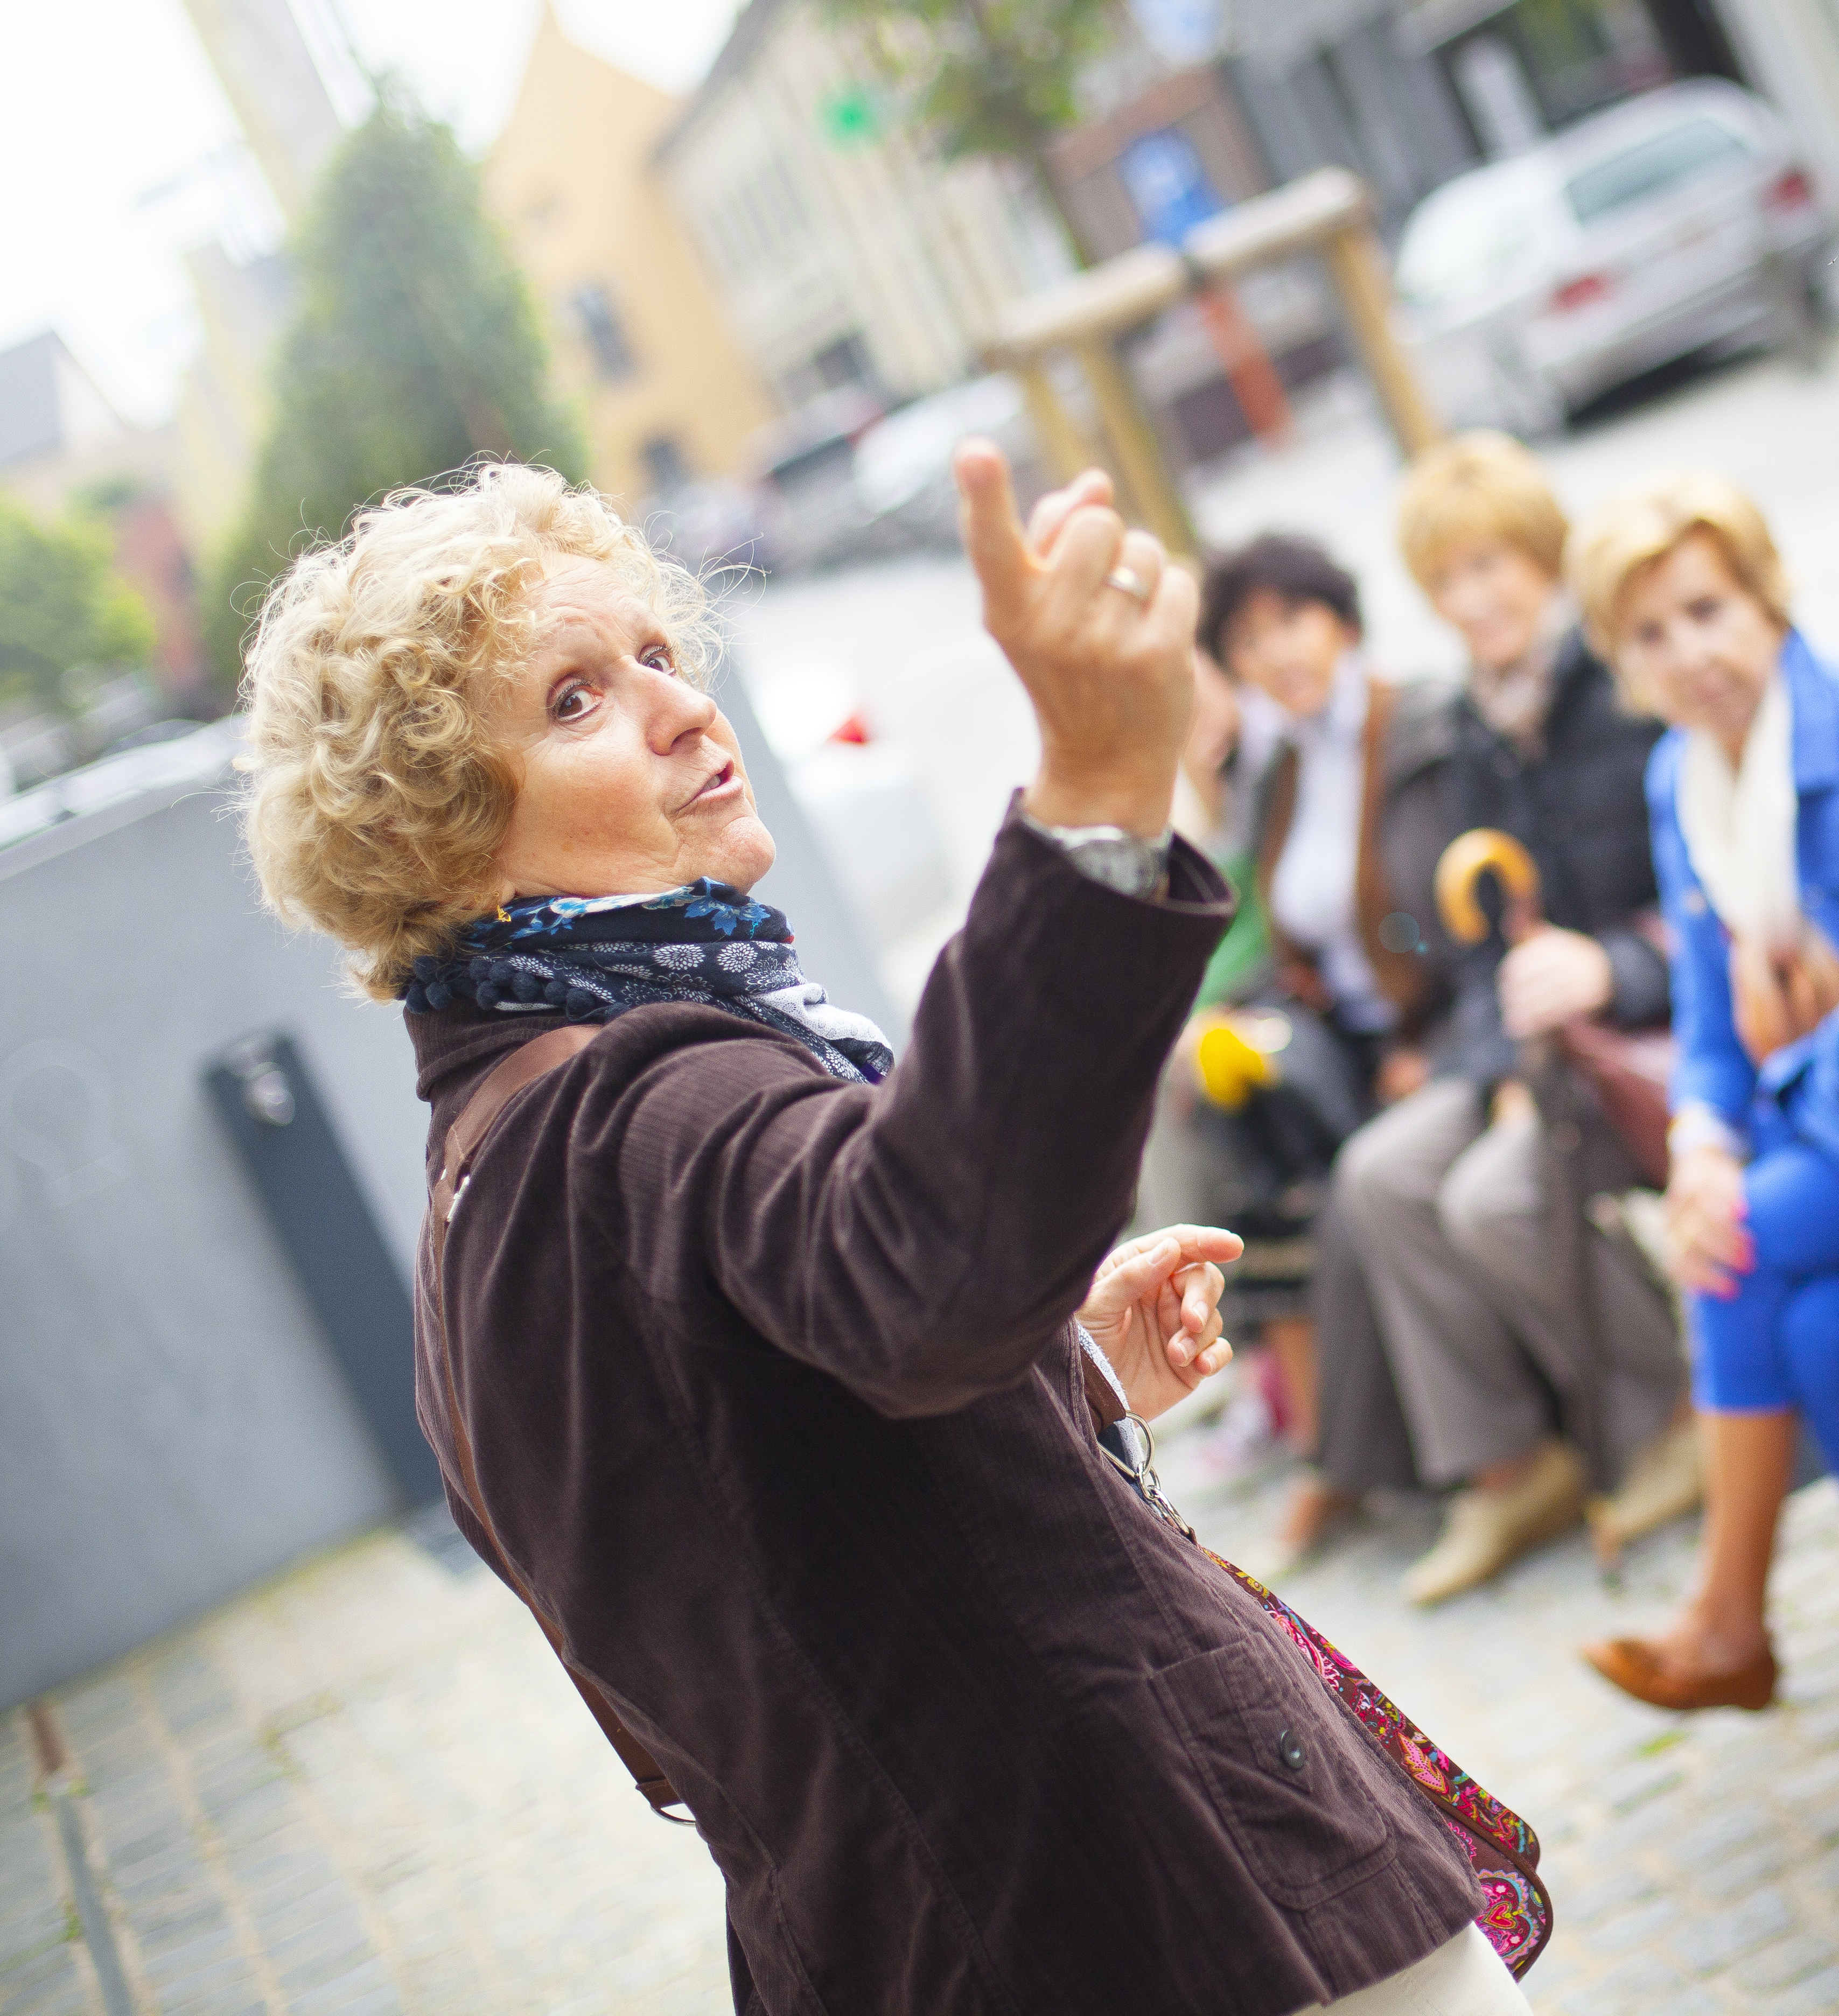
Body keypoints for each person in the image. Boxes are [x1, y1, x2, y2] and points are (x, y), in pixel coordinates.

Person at [235, 458, 1530, 2015]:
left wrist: (1058, 1386)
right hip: (1152, 1907)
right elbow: (927, 1273)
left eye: (658, 654)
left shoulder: (484, 1171)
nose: (678, 709)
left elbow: (773, 1514)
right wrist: (1106, 794)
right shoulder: (650, 1101)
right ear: (440, 838)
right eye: (573, 700)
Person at [1306, 431, 1694, 1607]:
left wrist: (1609, 972)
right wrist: (1486, 1066)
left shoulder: (1626, 687)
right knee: (1379, 1175)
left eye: (1495, 569)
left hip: (1645, 1022)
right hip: (1531, 1037)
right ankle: (1510, 1462)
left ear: (1544, 560)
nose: (1476, 602)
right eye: (1451, 581)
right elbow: (1475, 944)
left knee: (1491, 1193)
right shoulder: (1470, 731)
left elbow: (1699, 895)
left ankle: (1677, 1408)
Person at [1553, 475, 1839, 1713]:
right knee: (1813, 1327)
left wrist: (1820, 1022)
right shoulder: (1679, 780)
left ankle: (1727, 1619)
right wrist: (1701, 1148)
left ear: (1767, 600)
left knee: (1734, 1252)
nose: (1690, 654)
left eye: (1709, 610)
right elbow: (1715, 1023)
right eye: (1651, 634)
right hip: (1803, 1129)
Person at [1187, 536, 1447, 1464]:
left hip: (1436, 1035)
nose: (1280, 653)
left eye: (1292, 621)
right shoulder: (1279, 773)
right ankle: (1326, 1444)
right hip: (1350, 1045)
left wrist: (1435, 1044)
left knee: (1342, 1189)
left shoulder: (1419, 726)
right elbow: (1274, 930)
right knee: (1233, 1140)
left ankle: (1381, 1455)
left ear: (1340, 619)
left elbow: (1453, 919)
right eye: (1250, 642)